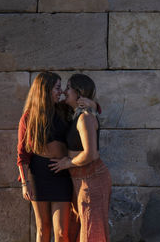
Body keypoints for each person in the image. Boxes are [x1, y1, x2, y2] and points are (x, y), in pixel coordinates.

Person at [16, 72, 97, 242]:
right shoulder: (29, 117)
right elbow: (22, 155)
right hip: (39, 175)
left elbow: (88, 109)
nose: (60, 92)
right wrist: (25, 183)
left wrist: (93, 104)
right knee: (42, 229)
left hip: (62, 174)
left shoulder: (63, 109)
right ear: (45, 90)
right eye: (57, 88)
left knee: (61, 232)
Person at [49, 73, 112, 242]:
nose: (64, 91)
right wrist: (95, 104)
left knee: (92, 230)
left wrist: (67, 163)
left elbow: (90, 154)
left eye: (68, 88)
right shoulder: (74, 112)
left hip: (92, 179)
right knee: (80, 229)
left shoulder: (84, 118)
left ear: (79, 92)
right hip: (80, 180)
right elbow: (48, 103)